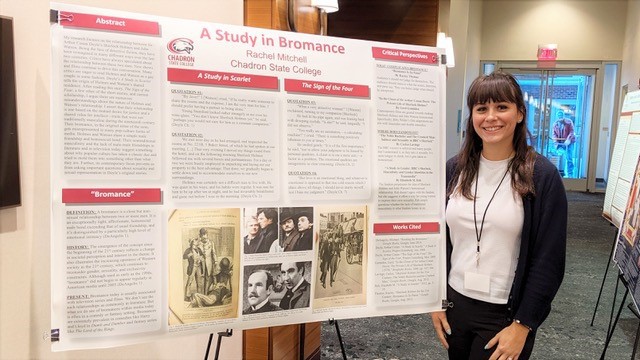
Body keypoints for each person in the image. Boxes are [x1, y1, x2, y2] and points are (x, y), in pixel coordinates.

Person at [431, 71, 567, 360]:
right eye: (481, 109)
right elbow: (437, 242)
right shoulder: (454, 170)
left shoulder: (541, 176)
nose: (490, 117)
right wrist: (434, 299)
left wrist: (524, 324)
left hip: (505, 315)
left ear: (519, 113)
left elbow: (549, 260)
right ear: (472, 117)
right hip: (456, 305)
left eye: (501, 107)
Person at [551, 110, 576, 177]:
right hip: (560, 142)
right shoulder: (555, 124)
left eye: (561, 115)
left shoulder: (569, 122)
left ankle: (570, 173)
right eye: (558, 115)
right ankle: (559, 173)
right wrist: (556, 143)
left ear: (563, 116)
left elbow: (571, 132)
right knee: (559, 156)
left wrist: (568, 140)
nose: (560, 116)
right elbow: (554, 134)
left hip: (569, 142)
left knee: (569, 158)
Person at [198, 228, 217, 294]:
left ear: (207, 235)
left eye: (205, 234)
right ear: (200, 236)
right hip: (200, 264)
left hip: (209, 263)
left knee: (208, 278)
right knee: (201, 280)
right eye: (202, 235)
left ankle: (205, 294)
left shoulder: (211, 243)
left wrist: (215, 261)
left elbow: (213, 253)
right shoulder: (198, 244)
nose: (204, 236)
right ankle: (200, 294)